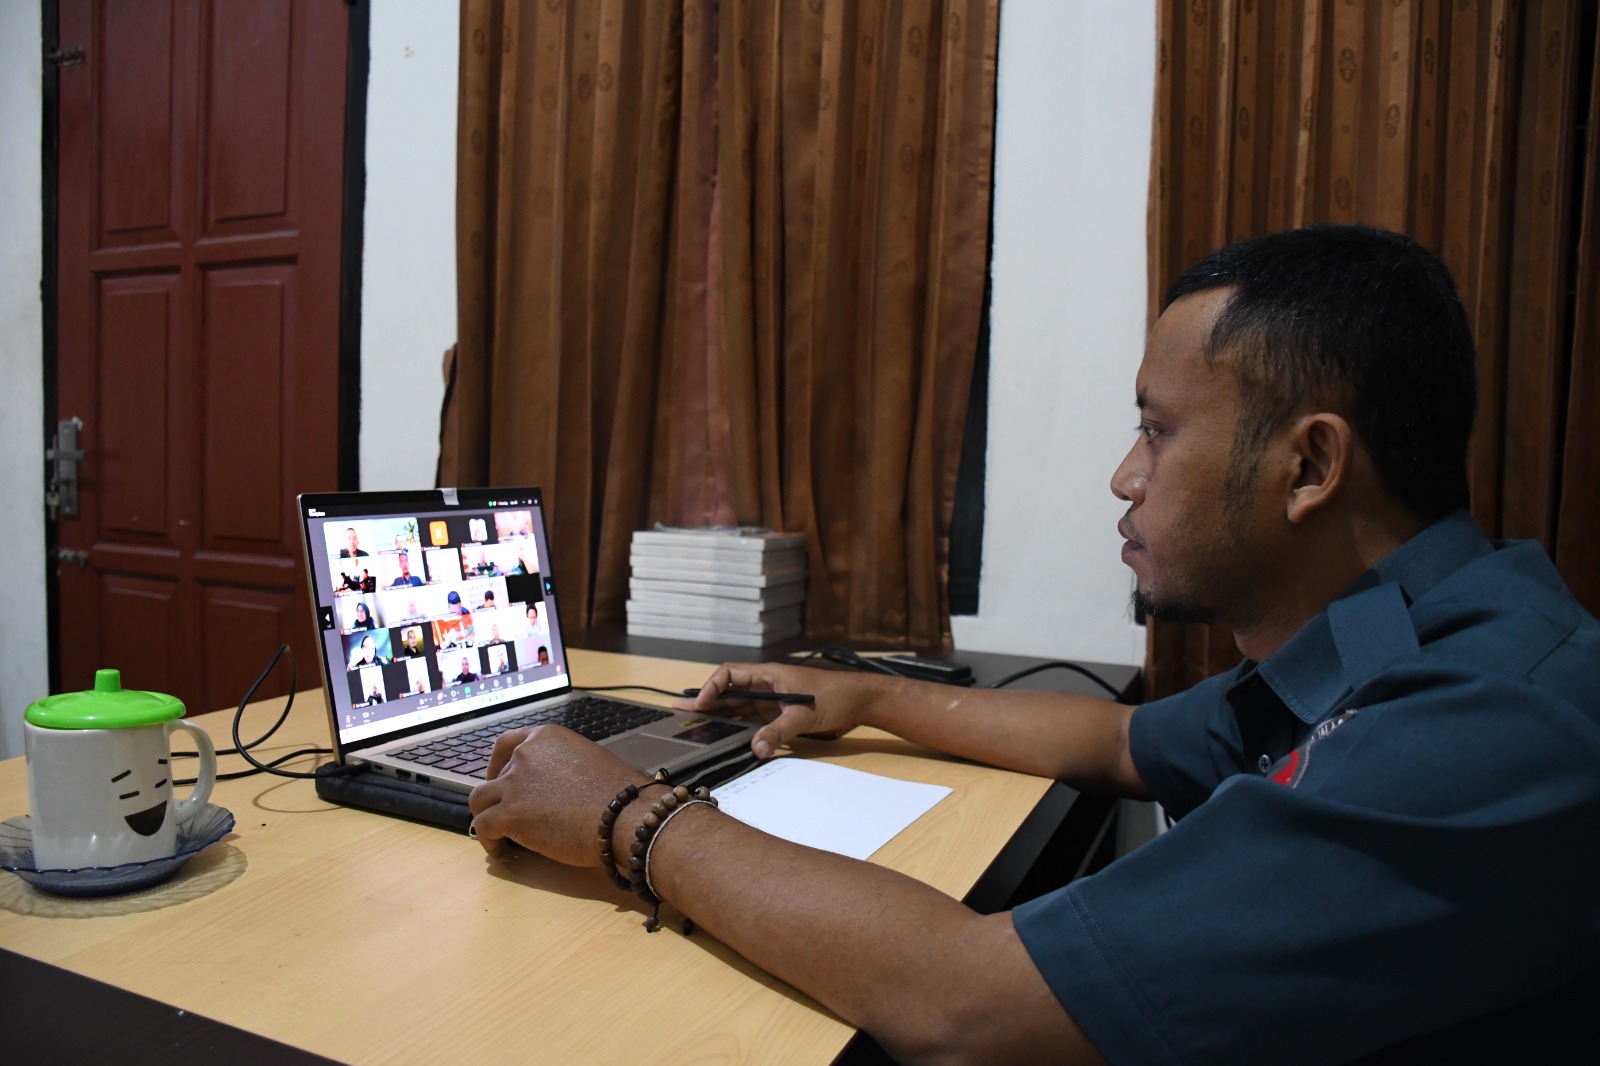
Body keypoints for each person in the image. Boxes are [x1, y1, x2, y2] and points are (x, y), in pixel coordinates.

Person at [466, 226, 1600, 1063]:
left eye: (1157, 430)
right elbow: (1120, 737)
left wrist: (627, 816)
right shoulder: (1396, 637)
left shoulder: (1487, 722)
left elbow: (964, 1001)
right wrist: (862, 695)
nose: (1125, 474)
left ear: (1308, 466)